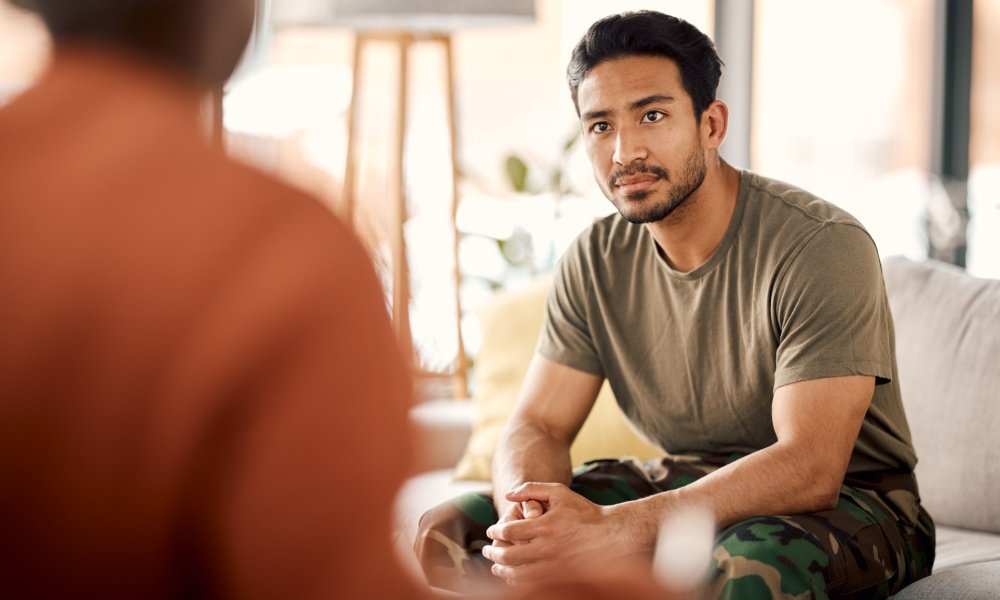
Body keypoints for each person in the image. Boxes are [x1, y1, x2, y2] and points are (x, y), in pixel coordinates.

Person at [416, 10, 935, 600]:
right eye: (600, 126)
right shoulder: (596, 258)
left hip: (858, 498)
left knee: (749, 566)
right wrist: (529, 515)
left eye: (653, 116)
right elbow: (538, 423)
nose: (623, 152)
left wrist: (611, 531)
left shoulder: (819, 246)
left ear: (711, 125)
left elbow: (810, 467)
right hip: (694, 479)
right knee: (454, 535)